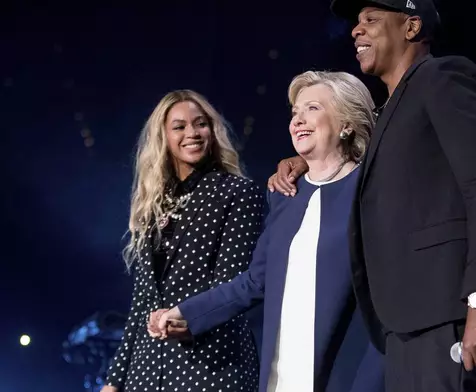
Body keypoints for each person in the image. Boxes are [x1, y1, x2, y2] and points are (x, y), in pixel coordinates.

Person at [267, 1, 476, 391]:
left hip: (447, 315)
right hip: (400, 327)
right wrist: (304, 163)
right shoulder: (389, 113)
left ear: (411, 26)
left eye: (371, 20)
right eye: (356, 23)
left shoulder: (444, 77)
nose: (355, 30)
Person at [149, 71, 384, 392]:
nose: (298, 120)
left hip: (348, 373)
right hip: (282, 373)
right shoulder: (284, 194)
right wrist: (185, 313)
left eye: (312, 108)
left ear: (346, 123)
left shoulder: (372, 189)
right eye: (294, 113)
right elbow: (256, 281)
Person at [101, 90, 263, 392]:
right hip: (147, 371)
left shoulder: (237, 194)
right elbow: (142, 304)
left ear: (212, 130)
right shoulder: (154, 204)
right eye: (179, 126)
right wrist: (114, 380)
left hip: (210, 364)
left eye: (200, 124)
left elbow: (233, 287)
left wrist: (187, 321)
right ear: (163, 136)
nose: (192, 133)